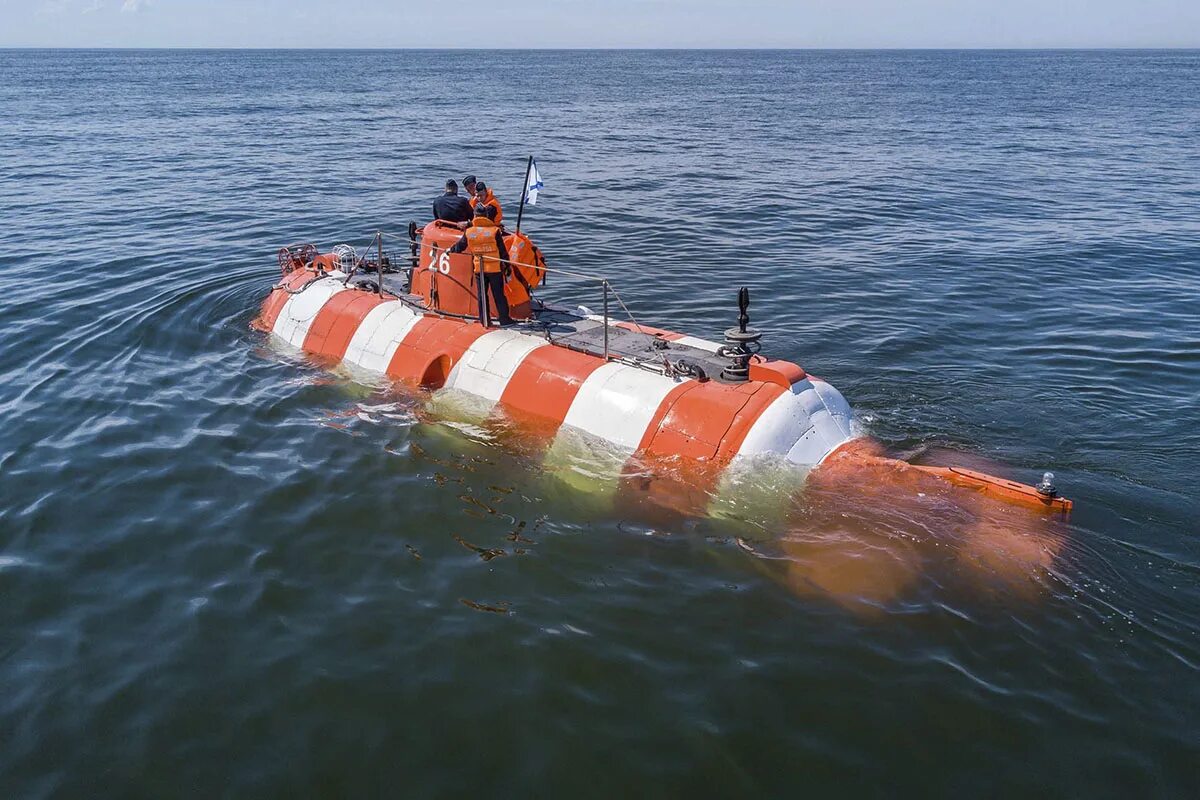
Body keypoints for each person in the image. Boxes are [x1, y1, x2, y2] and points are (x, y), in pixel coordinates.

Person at [450, 204, 513, 327]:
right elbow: (502, 251)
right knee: (499, 294)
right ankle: (504, 319)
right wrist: (507, 266)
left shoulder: (469, 231)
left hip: (479, 269)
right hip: (494, 268)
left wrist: (450, 250)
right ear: (486, 216)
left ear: (475, 216)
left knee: (482, 295)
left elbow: (460, 246)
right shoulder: (494, 231)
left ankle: (484, 320)